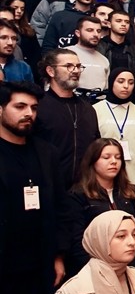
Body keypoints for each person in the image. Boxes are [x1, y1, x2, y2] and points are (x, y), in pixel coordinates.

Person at [0, 81, 66, 294]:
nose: (29, 113)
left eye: (34, 108)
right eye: (20, 107)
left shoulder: (46, 152)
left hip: (36, 269)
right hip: (3, 266)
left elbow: (59, 208)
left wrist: (58, 256)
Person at [61, 138, 135, 278]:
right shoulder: (78, 195)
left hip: (126, 269)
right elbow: (77, 240)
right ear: (93, 161)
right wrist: (96, 272)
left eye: (118, 157)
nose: (114, 161)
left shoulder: (132, 192)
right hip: (92, 271)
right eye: (106, 157)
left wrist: (132, 265)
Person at [37, 48, 102, 189]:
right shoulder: (38, 107)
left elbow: (96, 149)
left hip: (84, 190)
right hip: (48, 186)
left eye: (78, 66)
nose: (76, 71)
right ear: (51, 71)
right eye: (69, 66)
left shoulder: (88, 109)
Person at [92, 69, 135, 196]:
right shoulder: (96, 110)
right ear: (111, 83)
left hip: (133, 179)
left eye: (131, 82)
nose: (126, 86)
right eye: (121, 81)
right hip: (102, 180)